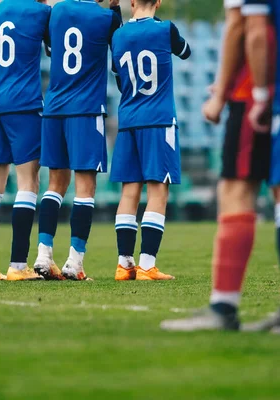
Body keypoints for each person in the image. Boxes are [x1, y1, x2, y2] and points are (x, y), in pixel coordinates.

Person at [162, 0, 280, 333]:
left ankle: (224, 305)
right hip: (278, 86)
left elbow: (244, 26)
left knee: (236, 189)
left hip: (254, 91)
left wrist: (226, 92)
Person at [33, 0, 122, 281]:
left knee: (55, 184)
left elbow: (49, 46)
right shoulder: (106, 17)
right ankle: (75, 262)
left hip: (55, 107)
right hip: (86, 109)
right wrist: (116, 8)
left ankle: (43, 255)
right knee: (85, 187)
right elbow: (118, 54)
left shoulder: (57, 11)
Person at [109, 0, 190, 281]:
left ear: (131, 2)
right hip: (158, 120)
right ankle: (146, 265)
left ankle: (124, 264)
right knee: (158, 190)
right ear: (158, 2)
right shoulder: (166, 29)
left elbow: (119, 79)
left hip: (128, 120)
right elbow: (186, 52)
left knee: (129, 191)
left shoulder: (117, 35)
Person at [0, 0, 52, 282]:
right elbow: (55, 48)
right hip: (24, 105)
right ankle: (18, 266)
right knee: (28, 183)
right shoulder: (42, 12)